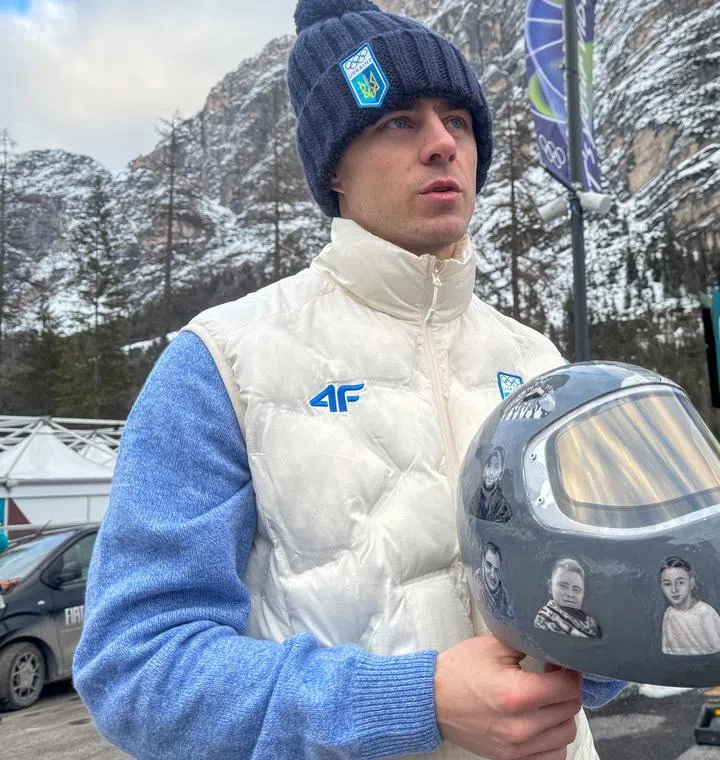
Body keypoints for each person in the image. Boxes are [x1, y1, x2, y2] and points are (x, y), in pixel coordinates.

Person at [72, 2, 623, 758]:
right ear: (333, 163)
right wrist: (416, 700)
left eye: (458, 120)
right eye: (399, 121)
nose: (440, 144)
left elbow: (594, 632)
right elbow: (137, 670)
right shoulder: (222, 363)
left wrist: (618, 641)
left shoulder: (536, 362)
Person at [659, 556, 720, 656]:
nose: (674, 589)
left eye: (680, 583)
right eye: (667, 584)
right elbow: (668, 651)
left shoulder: (704, 612)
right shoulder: (669, 614)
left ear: (691, 583)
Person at [533, 558, 602, 639]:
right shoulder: (545, 619)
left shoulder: (591, 623)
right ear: (550, 587)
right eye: (563, 586)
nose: (570, 594)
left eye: (576, 589)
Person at [473, 541, 514, 620]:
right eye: (489, 565)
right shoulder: (476, 584)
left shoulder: (504, 596)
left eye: (496, 570)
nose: (492, 575)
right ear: (482, 561)